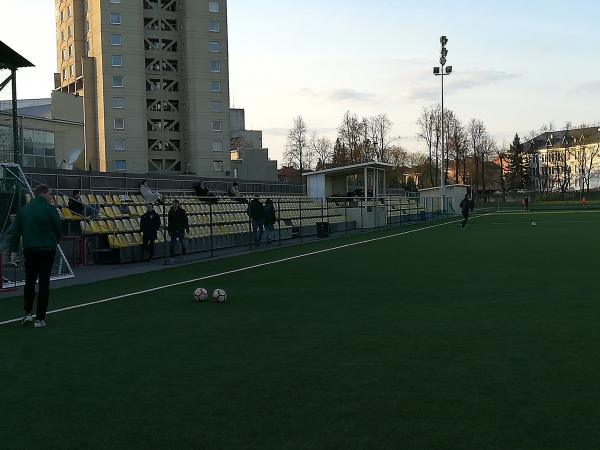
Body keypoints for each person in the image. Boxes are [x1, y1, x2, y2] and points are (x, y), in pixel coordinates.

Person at [10, 185, 62, 328]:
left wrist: (13, 251)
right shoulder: (51, 209)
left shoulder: (23, 210)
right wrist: (54, 242)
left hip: (30, 249)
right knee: (44, 282)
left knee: (30, 281)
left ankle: (27, 314)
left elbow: (15, 232)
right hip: (47, 250)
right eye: (50, 194)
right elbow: (58, 229)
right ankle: (40, 319)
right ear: (44, 194)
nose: (52, 197)